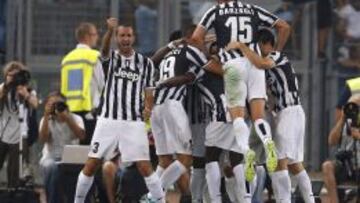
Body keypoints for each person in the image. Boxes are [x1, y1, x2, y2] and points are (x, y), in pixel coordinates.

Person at [191, 0, 291, 181]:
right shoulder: (253, 9)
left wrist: (209, 57)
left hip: (232, 66)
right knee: (258, 116)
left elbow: (196, 37)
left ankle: (246, 151)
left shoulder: (215, 11)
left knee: (237, 116)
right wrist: (274, 53)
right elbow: (284, 27)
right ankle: (268, 141)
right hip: (255, 65)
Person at [74, 18, 165, 203]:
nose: (125, 39)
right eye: (122, 35)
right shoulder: (110, 58)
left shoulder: (145, 63)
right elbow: (104, 50)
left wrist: (148, 106)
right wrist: (108, 30)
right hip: (108, 120)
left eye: (129, 35)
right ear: (117, 38)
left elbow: (149, 90)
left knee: (145, 166)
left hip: (133, 122)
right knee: (91, 164)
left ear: (134, 37)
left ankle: (161, 200)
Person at [227, 28, 315, 202]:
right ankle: (310, 199)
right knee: (295, 164)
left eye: (259, 46)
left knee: (279, 162)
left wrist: (242, 47)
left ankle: (284, 200)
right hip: (287, 113)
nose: (258, 51)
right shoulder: (264, 66)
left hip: (290, 112)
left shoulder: (276, 56)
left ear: (268, 44)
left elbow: (261, 63)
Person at [150, 25, 210, 201]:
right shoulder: (190, 50)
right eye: (201, 38)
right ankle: (153, 195)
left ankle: (154, 199)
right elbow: (209, 64)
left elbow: (152, 62)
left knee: (164, 160)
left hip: (156, 107)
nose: (202, 41)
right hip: (172, 105)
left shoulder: (168, 54)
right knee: (185, 159)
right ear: (191, 37)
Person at [39, 91, 85, 203]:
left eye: (59, 104)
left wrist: (68, 119)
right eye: (52, 105)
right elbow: (43, 139)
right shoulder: (46, 120)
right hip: (51, 157)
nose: (56, 107)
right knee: (51, 167)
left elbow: (81, 136)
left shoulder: (76, 118)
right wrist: (46, 116)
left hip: (72, 159)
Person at [0, 61, 38, 188]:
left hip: (19, 136)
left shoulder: (27, 90)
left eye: (16, 76)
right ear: (6, 76)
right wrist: (6, 87)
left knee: (13, 171)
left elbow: (35, 104)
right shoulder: (2, 88)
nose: (14, 79)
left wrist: (25, 94)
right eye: (10, 75)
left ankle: (12, 193)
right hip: (2, 133)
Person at [60, 22, 99, 145]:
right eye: (95, 34)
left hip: (69, 113)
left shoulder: (67, 59)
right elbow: (103, 84)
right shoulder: (94, 56)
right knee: (90, 153)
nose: (97, 37)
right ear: (87, 36)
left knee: (73, 154)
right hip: (89, 111)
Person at [322, 95, 360, 203]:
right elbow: (331, 141)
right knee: (327, 166)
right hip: (345, 164)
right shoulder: (345, 122)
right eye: (351, 106)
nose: (353, 110)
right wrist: (342, 119)